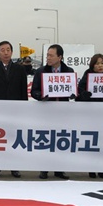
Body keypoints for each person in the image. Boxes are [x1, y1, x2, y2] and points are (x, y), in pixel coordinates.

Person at [0, 40, 28, 178]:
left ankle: (14, 166)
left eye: (8, 50)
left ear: (12, 52)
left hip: (15, 111)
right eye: (2, 50)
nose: (5, 52)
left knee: (14, 140)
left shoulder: (20, 70)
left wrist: (23, 108)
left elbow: (23, 92)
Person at [31, 44, 73, 180]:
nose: (48, 58)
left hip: (63, 112)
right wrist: (41, 96)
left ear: (59, 57)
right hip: (46, 112)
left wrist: (73, 94)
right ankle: (44, 169)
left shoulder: (69, 71)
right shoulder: (41, 72)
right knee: (46, 140)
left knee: (61, 140)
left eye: (51, 55)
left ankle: (59, 169)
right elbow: (34, 91)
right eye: (47, 55)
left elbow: (73, 90)